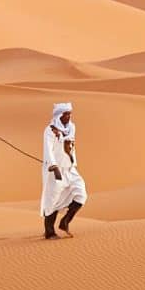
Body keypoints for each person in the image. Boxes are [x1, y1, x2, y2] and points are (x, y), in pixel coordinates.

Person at [40, 102, 87, 239]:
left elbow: (70, 146)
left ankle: (65, 222)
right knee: (52, 200)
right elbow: (48, 149)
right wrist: (54, 167)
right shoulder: (50, 130)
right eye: (66, 114)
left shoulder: (72, 128)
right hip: (55, 171)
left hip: (70, 169)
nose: (68, 116)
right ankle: (49, 232)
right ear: (59, 115)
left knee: (81, 194)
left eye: (69, 113)